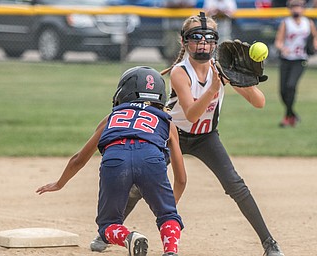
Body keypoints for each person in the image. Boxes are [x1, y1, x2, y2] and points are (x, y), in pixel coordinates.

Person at [91, 12, 285, 256]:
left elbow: (260, 103)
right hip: (173, 136)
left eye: (209, 38)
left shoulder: (220, 68)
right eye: (196, 37)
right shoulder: (180, 72)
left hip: (206, 137)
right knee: (141, 185)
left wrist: (246, 78)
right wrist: (215, 87)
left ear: (215, 42)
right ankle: (105, 231)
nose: (203, 43)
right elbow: (192, 114)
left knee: (236, 185)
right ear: (184, 42)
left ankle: (269, 243)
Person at [36, 66, 187, 256]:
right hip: (151, 159)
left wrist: (60, 183)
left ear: (123, 93)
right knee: (168, 217)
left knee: (108, 225)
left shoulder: (111, 118)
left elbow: (79, 159)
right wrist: (169, 208)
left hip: (116, 159)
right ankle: (171, 251)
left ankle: (128, 237)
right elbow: (181, 179)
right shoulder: (167, 122)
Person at [274, 0, 317, 127]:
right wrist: (283, 48)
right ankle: (292, 115)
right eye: (293, 7)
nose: (296, 9)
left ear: (303, 8)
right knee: (282, 91)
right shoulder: (286, 23)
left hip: (300, 59)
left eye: (298, 6)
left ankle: (287, 117)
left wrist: (314, 45)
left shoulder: (308, 23)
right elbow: (278, 41)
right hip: (286, 59)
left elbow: (314, 37)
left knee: (291, 86)